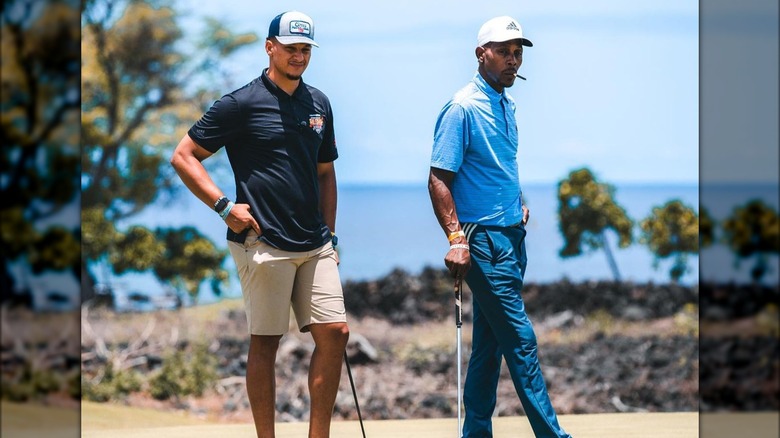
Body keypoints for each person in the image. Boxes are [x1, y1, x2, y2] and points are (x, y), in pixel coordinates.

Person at [170, 11, 349, 438]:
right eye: (290, 48)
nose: (298, 57)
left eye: (305, 49)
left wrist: (331, 234)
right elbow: (183, 155)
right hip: (262, 242)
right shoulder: (239, 103)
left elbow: (326, 173)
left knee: (336, 333)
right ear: (269, 47)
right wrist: (223, 206)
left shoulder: (318, 104)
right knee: (266, 342)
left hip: (315, 243)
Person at [428, 16, 572, 438]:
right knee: (521, 340)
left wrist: (518, 203)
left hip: (512, 237)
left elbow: (498, 168)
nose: (513, 59)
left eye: (518, 52)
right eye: (505, 51)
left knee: (489, 348)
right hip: (482, 242)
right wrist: (456, 238)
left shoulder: (506, 104)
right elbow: (439, 178)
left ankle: (475, 434)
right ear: (481, 54)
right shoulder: (462, 107)